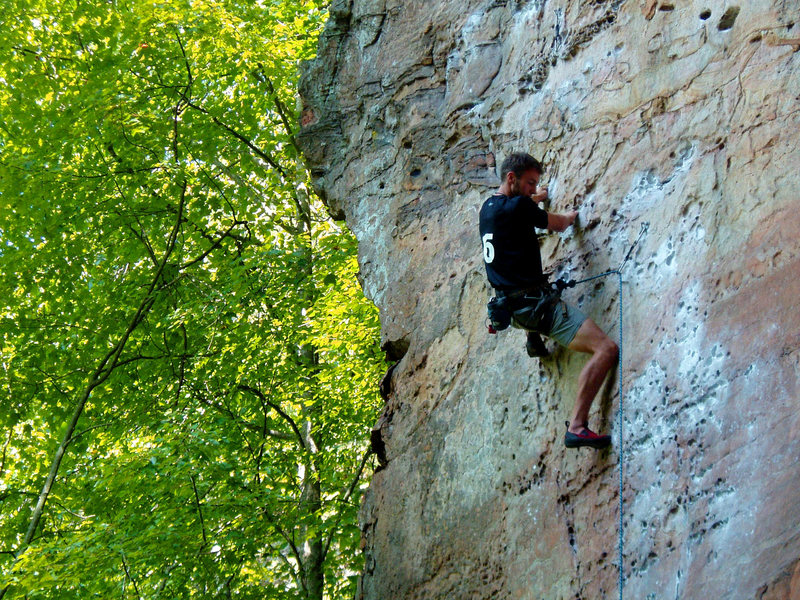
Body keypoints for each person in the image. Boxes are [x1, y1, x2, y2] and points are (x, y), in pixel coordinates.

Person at [479, 152, 618, 449]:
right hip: (537, 308)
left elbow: (520, 206)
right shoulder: (518, 206)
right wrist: (571, 217)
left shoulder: (489, 208)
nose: (533, 189)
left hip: (508, 309)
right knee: (606, 349)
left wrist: (536, 197)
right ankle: (578, 426)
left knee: (528, 279)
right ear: (511, 178)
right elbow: (558, 223)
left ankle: (534, 340)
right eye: (530, 183)